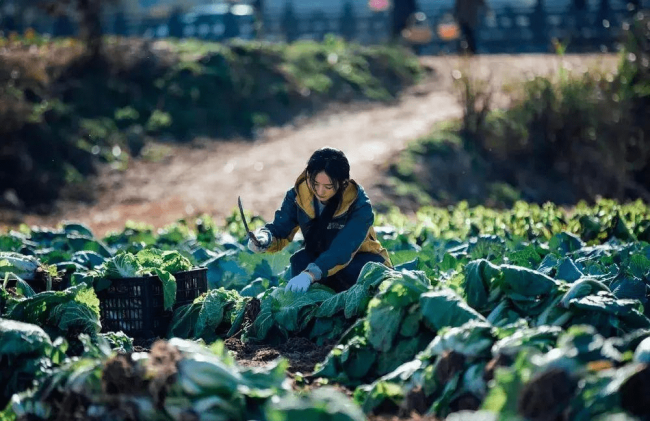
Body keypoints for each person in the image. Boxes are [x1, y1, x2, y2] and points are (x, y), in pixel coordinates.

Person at [247, 147, 392, 293]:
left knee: (352, 272)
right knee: (300, 260)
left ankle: (348, 313)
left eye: (328, 186)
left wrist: (310, 275)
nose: (320, 191)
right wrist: (265, 238)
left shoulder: (359, 204)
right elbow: (281, 228)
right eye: (315, 184)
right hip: (322, 261)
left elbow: (343, 248)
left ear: (343, 184)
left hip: (363, 261)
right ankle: (309, 312)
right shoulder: (298, 195)